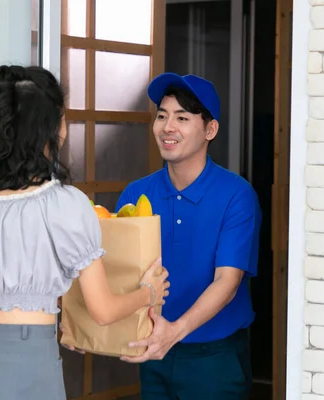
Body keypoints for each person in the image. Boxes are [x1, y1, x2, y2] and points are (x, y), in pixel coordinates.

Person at [0, 65, 170, 400]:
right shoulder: (62, 205)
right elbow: (103, 310)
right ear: (47, 129)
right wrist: (149, 291)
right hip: (27, 369)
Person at [115, 73, 262, 399]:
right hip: (153, 350)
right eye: (162, 116)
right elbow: (118, 273)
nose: (168, 127)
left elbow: (227, 280)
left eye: (182, 118)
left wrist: (175, 332)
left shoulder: (236, 195)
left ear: (210, 130)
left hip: (215, 358)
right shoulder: (136, 194)